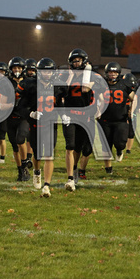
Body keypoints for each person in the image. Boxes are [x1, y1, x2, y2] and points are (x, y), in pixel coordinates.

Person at [16, 58, 63, 197]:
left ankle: (47, 186)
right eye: (44, 71)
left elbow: (61, 104)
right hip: (35, 125)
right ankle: (37, 171)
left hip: (51, 124)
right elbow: (21, 107)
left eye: (49, 71)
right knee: (37, 155)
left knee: (49, 155)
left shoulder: (57, 87)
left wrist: (65, 114)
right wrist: (30, 113)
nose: (47, 74)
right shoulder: (31, 86)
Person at [61, 48, 94, 191]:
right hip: (68, 114)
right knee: (70, 145)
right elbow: (62, 90)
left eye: (78, 61)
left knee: (80, 146)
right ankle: (70, 178)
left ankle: (75, 168)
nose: (76, 63)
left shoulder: (91, 76)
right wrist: (69, 77)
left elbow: (86, 89)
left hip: (84, 115)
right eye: (74, 61)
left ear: (84, 62)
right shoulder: (65, 75)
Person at [98, 62, 135, 175]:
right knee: (106, 146)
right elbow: (96, 97)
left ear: (118, 73)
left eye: (115, 72)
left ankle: (119, 150)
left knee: (120, 143)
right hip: (105, 120)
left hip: (121, 119)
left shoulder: (124, 84)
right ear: (106, 73)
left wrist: (131, 110)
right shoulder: (102, 84)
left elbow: (134, 98)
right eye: (110, 72)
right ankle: (108, 168)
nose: (112, 74)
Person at [6, 56, 31, 181]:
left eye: (19, 67)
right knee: (15, 146)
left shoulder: (28, 82)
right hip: (10, 117)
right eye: (14, 68)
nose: (17, 70)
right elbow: (2, 103)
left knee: (20, 139)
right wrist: (10, 105)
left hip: (23, 117)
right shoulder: (6, 82)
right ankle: (21, 170)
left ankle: (25, 163)